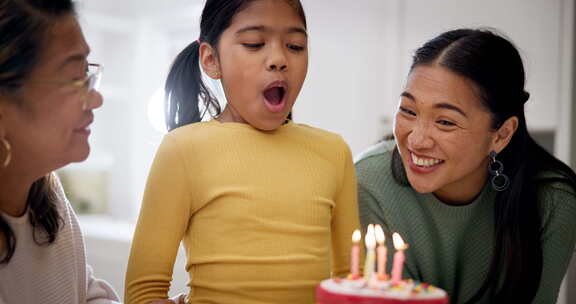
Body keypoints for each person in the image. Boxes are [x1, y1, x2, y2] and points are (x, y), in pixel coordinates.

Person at [124, 0, 360, 303]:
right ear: (211, 59)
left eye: (295, 46)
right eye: (254, 43)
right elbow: (143, 294)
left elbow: (353, 282)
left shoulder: (333, 152)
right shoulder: (183, 149)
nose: (279, 59)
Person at [355, 29, 576, 304]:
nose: (417, 140)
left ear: (501, 134)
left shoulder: (554, 200)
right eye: (409, 111)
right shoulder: (369, 180)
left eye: (445, 121)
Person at [0, 0, 121, 303]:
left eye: (88, 73)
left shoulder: (48, 196)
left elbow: (84, 293)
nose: (96, 99)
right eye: (74, 79)